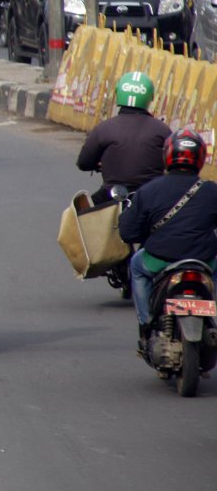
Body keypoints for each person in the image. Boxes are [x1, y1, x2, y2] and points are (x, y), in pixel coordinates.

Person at [119, 129, 217, 343]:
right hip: (204, 260)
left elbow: (127, 233)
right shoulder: (212, 190)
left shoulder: (149, 190)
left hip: (159, 259)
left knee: (136, 267)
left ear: (167, 156)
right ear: (201, 158)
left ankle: (146, 323)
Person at [77, 71, 172, 204]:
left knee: (77, 217)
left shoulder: (104, 128)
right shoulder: (163, 130)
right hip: (152, 197)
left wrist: (100, 164)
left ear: (118, 94)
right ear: (150, 97)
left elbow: (83, 163)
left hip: (111, 197)